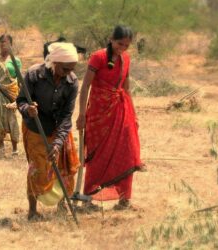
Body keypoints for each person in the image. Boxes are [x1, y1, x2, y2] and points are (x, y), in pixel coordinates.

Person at [76, 25, 142, 210]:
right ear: (111, 39)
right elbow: (85, 87)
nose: (122, 48)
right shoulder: (98, 57)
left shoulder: (126, 59)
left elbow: (126, 89)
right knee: (97, 157)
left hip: (122, 112)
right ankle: (89, 198)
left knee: (127, 154)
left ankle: (124, 199)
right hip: (98, 116)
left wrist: (134, 115)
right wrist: (81, 114)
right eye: (120, 43)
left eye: (126, 46)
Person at [17, 42, 80, 220]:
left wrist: (58, 143)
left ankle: (63, 207)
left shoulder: (72, 82)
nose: (69, 72)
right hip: (36, 128)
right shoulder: (33, 75)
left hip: (60, 129)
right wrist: (28, 109)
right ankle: (32, 210)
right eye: (66, 68)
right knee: (37, 169)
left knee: (64, 168)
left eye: (72, 68)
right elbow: (20, 101)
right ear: (55, 63)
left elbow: (67, 116)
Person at [0, 34, 21, 156]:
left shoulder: (15, 61)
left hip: (10, 94)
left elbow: (19, 79)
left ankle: (15, 148)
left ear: (11, 44)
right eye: (1, 42)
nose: (3, 44)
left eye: (5, 42)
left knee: (12, 119)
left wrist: (19, 97)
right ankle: (1, 148)